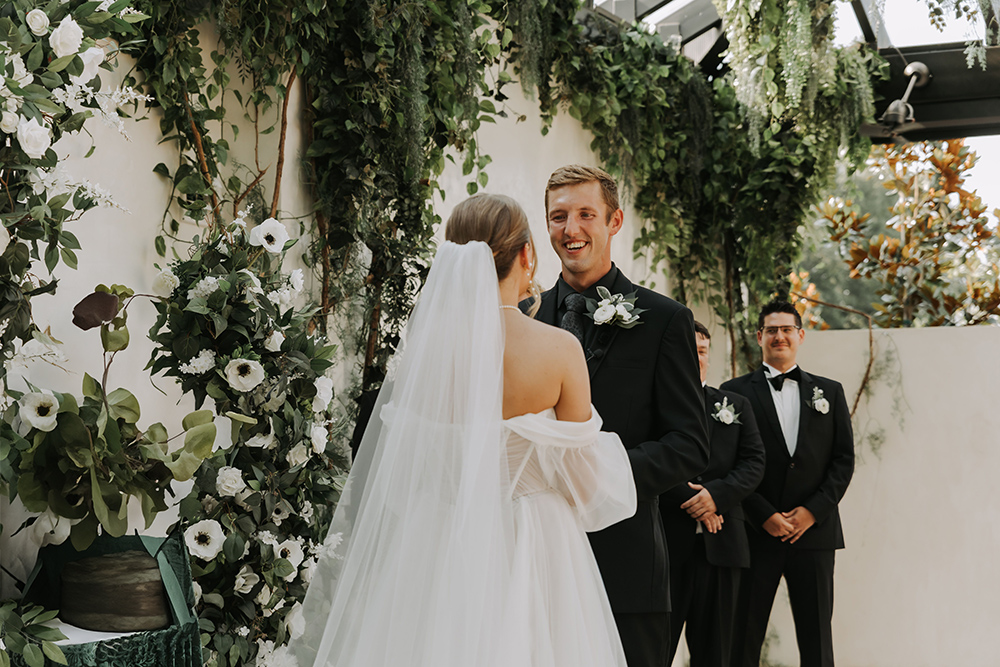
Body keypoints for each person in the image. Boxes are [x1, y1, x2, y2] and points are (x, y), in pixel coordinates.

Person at [291, 193, 637, 667]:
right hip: (534, 543)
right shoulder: (559, 350)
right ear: (525, 255)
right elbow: (586, 482)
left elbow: (406, 474)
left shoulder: (423, 358)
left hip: (438, 541)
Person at [528, 164, 709, 667]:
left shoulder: (665, 320)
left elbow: (691, 444)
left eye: (586, 214)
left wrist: (600, 473)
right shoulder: (523, 317)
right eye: (558, 216)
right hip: (535, 566)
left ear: (614, 221)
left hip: (625, 569)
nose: (571, 229)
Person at [721, 300, 854, 667]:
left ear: (800, 335)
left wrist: (811, 513)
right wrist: (763, 514)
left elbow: (843, 462)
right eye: (772, 330)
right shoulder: (732, 393)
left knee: (817, 640)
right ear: (760, 337)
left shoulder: (830, 392)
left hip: (815, 534)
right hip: (755, 532)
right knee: (742, 636)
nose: (780, 336)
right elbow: (727, 463)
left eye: (787, 329)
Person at [660, 320, 765, 667]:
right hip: (667, 546)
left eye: (702, 351)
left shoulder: (736, 405)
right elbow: (648, 457)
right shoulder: (656, 404)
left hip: (723, 546)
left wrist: (715, 497)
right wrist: (695, 503)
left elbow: (754, 462)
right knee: (656, 649)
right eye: (689, 351)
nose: (696, 358)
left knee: (717, 653)